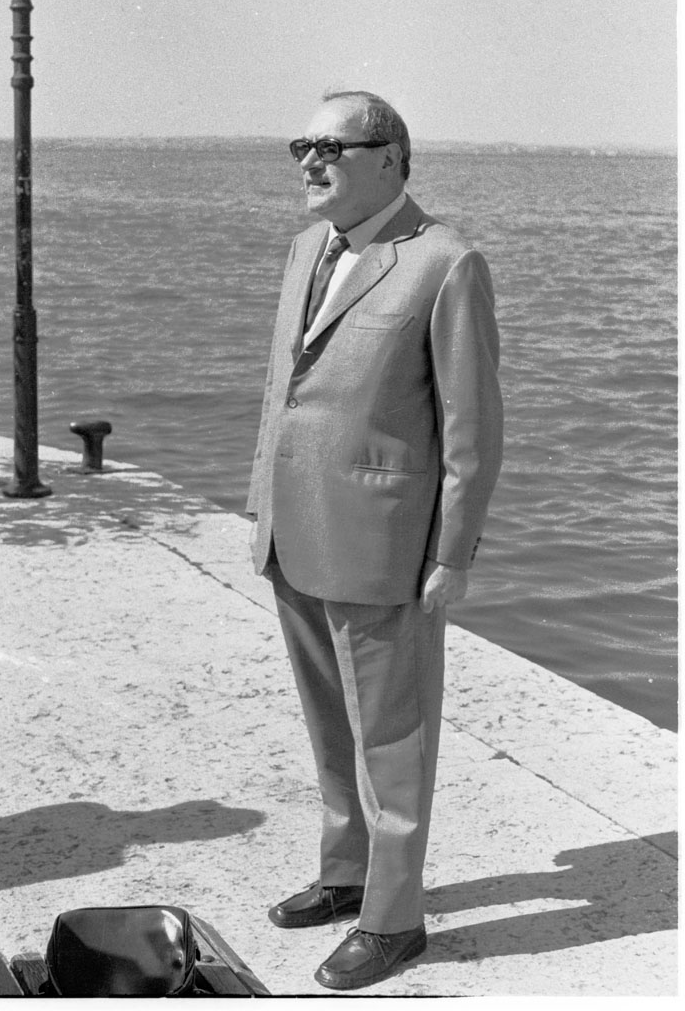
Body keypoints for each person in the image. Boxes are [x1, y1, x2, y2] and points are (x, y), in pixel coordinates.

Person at [246, 90, 503, 991]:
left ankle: (394, 920)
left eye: (332, 146)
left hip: (385, 545)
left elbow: (472, 430)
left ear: (390, 157)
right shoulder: (305, 250)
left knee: (393, 739)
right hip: (294, 530)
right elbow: (284, 392)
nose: (310, 161)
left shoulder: (445, 262)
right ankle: (345, 873)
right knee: (329, 726)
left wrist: (451, 554)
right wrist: (260, 508)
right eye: (301, 145)